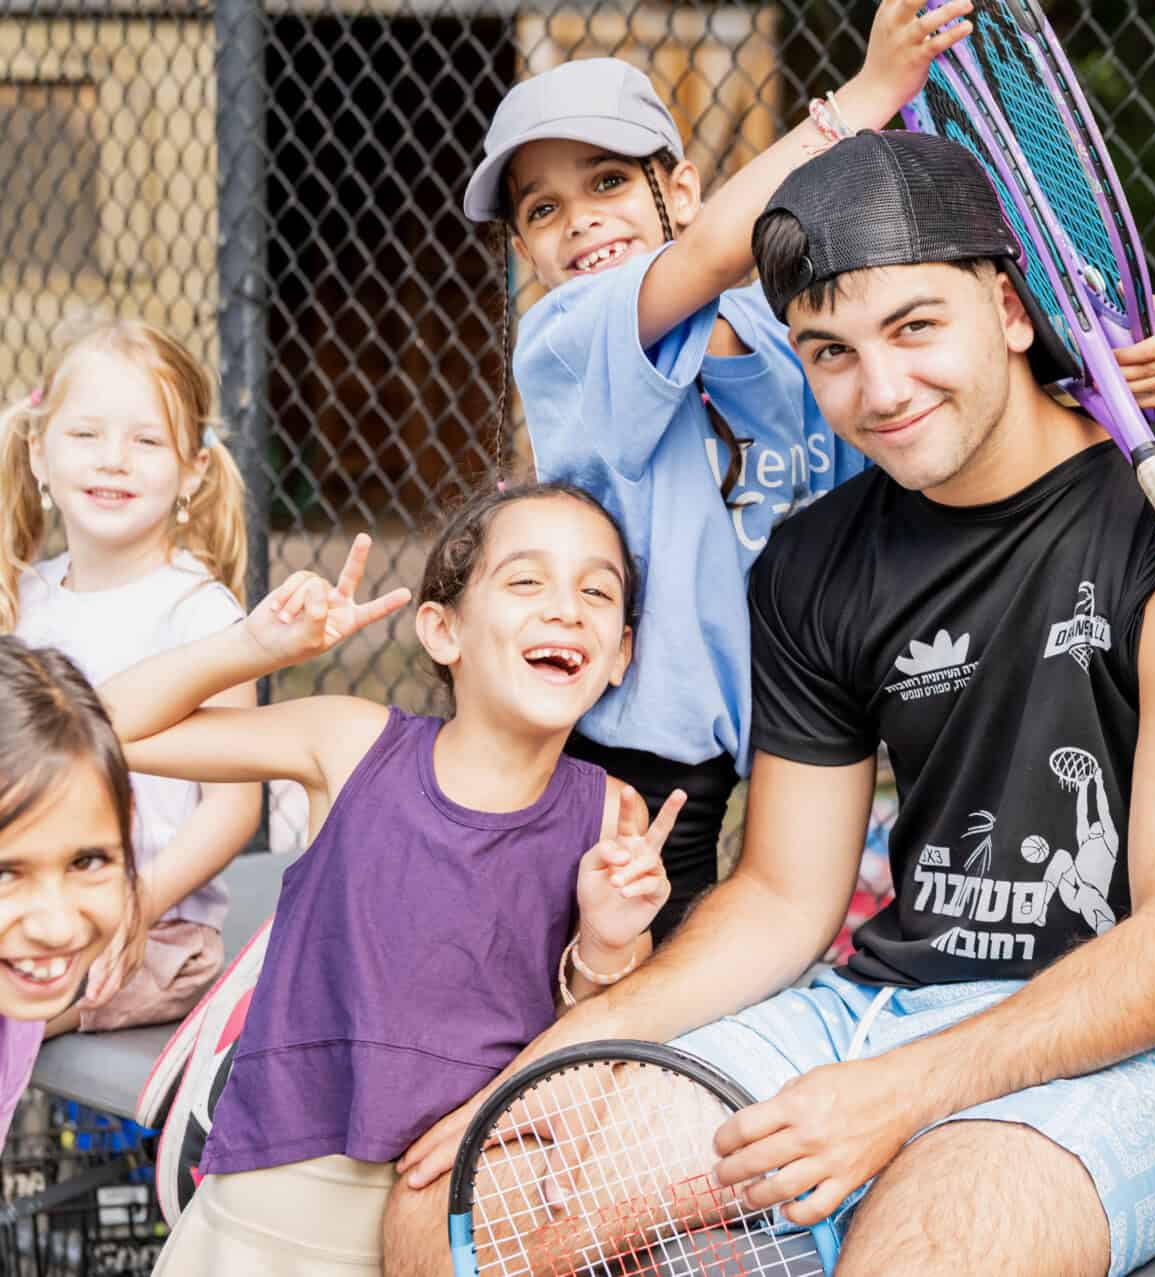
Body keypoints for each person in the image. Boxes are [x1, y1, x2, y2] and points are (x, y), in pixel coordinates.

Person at [383, 130, 1155, 1277]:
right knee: (459, 1215)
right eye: (829, 350)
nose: (880, 389)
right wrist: (561, 1056)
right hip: (880, 1006)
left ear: (1012, 312)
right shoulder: (816, 561)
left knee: (917, 1254)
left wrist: (895, 1096)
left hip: (1144, 1047)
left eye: (917, 326)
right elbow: (780, 892)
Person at [461, 10, 1155, 935]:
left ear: (685, 188)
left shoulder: (805, 335)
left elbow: (986, 335)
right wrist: (871, 95)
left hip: (797, 710)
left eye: (609, 182)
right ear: (525, 249)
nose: (580, 223)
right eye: (542, 211)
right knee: (608, 962)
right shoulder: (569, 338)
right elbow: (706, 254)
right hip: (636, 756)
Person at [108, 484, 676, 1275]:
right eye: (525, 581)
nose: (567, 609)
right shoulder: (350, 743)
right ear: (443, 630)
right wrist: (254, 648)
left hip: (461, 1215)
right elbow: (110, 728)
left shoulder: (612, 812)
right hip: (275, 1203)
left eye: (596, 591)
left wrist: (609, 942)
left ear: (619, 655)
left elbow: (600, 1035)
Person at [0, 320, 260, 1035]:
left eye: (146, 441)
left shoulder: (200, 615)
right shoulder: (21, 599)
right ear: (39, 453)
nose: (113, 460)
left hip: (151, 931)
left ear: (193, 470)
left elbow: (234, 808)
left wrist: (134, 907)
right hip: (24, 911)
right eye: (85, 435)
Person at [0, 638, 144, 1134]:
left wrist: (250, 646)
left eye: (87, 861)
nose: (57, 926)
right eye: (4, 874)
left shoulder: (16, 1000)